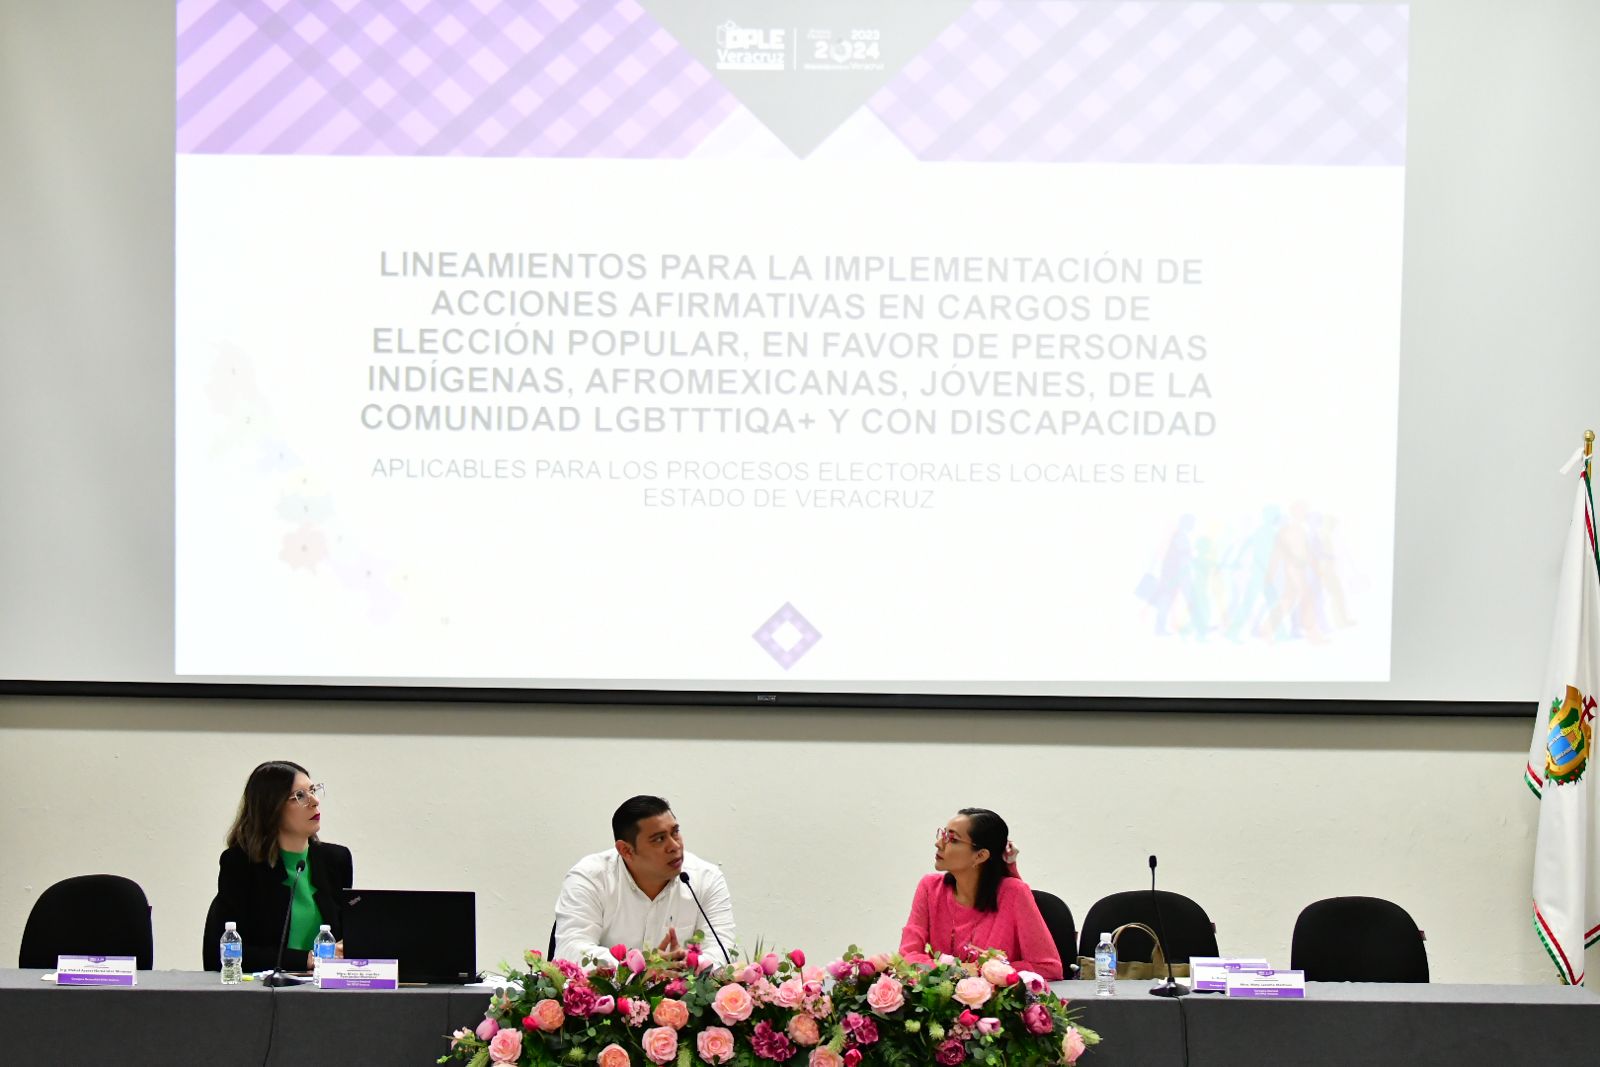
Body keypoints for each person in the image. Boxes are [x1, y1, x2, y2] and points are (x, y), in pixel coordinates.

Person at [202, 760, 354, 973]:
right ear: (272, 808)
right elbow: (221, 954)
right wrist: (306, 959)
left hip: (325, 987)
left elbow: (344, 936)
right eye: (300, 796)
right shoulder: (241, 864)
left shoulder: (335, 860)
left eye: (313, 790)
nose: (315, 801)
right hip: (265, 989)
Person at [553, 795, 736, 967]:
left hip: (682, 990)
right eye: (659, 839)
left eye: (675, 832)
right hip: (608, 991)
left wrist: (687, 964)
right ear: (626, 850)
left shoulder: (706, 879)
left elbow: (722, 952)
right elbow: (571, 950)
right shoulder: (590, 878)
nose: (675, 846)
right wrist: (640, 967)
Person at [898, 808, 1063, 979]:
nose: (939, 843)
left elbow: (1048, 967)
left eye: (952, 839)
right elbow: (907, 956)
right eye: (943, 834)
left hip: (991, 997)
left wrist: (985, 971)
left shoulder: (1014, 893)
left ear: (980, 856)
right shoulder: (930, 887)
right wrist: (958, 972)